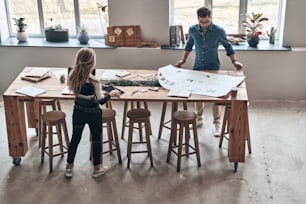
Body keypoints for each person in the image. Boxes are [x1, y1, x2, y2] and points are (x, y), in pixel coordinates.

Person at [175, 6, 243, 137]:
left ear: (210, 18)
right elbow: (189, 46)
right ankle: (199, 118)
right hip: (198, 67)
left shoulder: (219, 31)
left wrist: (234, 61)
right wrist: (182, 60)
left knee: (216, 96)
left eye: (206, 22)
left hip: (213, 67)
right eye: (201, 22)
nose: (204, 25)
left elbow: (228, 46)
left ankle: (217, 123)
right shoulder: (192, 30)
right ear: (198, 19)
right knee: (198, 94)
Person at [64, 48, 121, 178]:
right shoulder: (95, 81)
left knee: (75, 138)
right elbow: (100, 101)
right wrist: (110, 94)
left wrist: (100, 89)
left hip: (78, 112)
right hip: (93, 113)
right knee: (96, 140)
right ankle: (97, 168)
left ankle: (69, 167)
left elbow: (81, 92)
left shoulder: (72, 76)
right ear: (92, 63)